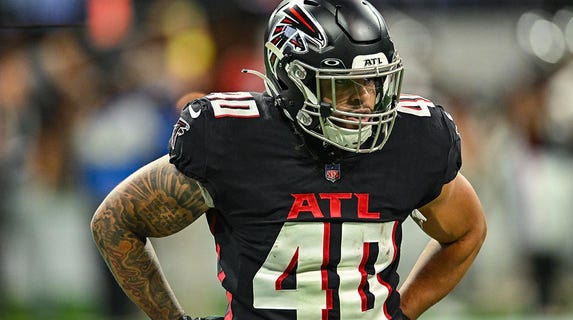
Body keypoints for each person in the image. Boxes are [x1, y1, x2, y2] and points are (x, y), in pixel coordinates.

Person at [90, 0, 487, 319]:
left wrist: (403, 308)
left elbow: (467, 231)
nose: (367, 102)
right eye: (345, 86)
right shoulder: (236, 140)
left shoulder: (412, 138)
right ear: (294, 82)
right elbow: (115, 222)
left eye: (373, 82)